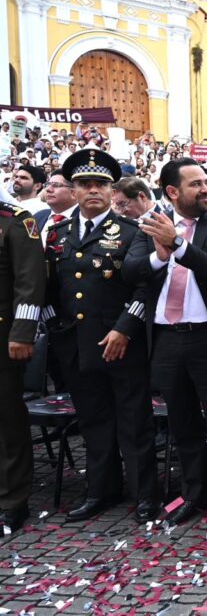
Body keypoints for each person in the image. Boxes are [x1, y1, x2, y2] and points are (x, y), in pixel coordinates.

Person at [123, 159, 207, 535]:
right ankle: (194, 494)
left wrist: (176, 244)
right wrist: (159, 255)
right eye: (196, 184)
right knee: (183, 423)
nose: (206, 189)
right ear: (172, 191)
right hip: (166, 337)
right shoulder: (152, 225)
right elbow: (130, 270)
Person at [43, 149, 158, 524]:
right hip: (76, 344)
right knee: (93, 421)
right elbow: (47, 290)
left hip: (122, 343)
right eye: (84, 184)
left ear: (112, 191)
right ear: (73, 190)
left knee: (133, 420)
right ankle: (101, 491)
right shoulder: (57, 235)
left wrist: (124, 328)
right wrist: (56, 330)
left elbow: (145, 287)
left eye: (100, 184)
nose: (93, 190)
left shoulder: (131, 232)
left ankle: (144, 494)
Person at [0, 196, 45, 533]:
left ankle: (12, 500)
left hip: (4, 337)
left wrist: (23, 332)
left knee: (6, 423)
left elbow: (30, 281)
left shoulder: (15, 221)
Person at [35, 171, 77, 242]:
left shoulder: (85, 219)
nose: (48, 189)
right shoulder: (38, 216)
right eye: (47, 185)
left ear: (73, 193)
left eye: (56, 185)